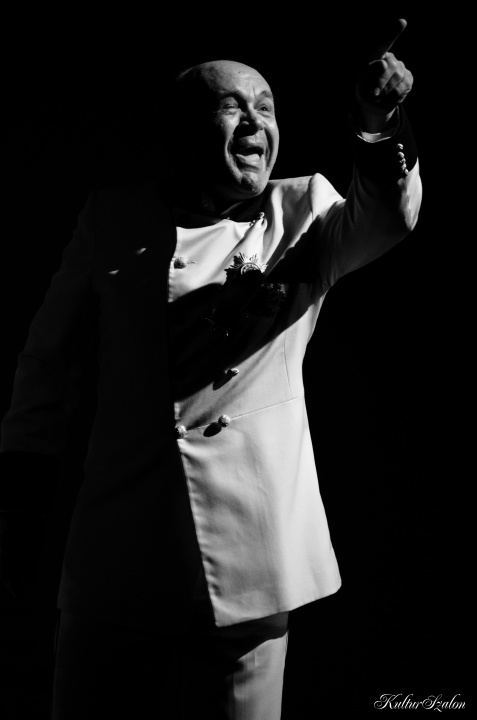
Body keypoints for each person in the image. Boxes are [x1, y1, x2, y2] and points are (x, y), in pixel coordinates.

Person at [0, 18, 422, 720]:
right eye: (231, 106)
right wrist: (20, 495)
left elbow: (389, 218)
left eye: (266, 106)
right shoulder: (113, 219)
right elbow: (47, 366)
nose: (254, 120)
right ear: (180, 132)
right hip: (123, 548)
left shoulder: (303, 210)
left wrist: (377, 125)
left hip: (252, 556)